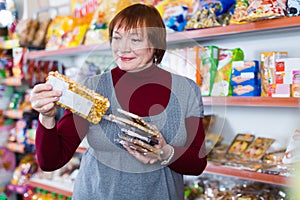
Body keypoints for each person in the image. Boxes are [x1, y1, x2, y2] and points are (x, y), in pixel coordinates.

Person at [30, 3, 207, 200]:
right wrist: (46, 117)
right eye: (117, 38)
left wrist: (164, 152)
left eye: (135, 39)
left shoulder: (185, 90)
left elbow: (197, 164)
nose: (123, 48)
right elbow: (51, 161)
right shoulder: (92, 88)